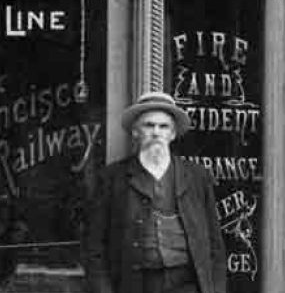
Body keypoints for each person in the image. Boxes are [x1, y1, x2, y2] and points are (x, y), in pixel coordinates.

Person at [83, 92, 228, 293]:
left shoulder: (197, 177)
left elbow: (215, 246)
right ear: (135, 132)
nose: (156, 133)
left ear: (173, 134)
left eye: (164, 126)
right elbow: (95, 249)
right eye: (149, 125)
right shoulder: (112, 178)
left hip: (187, 286)